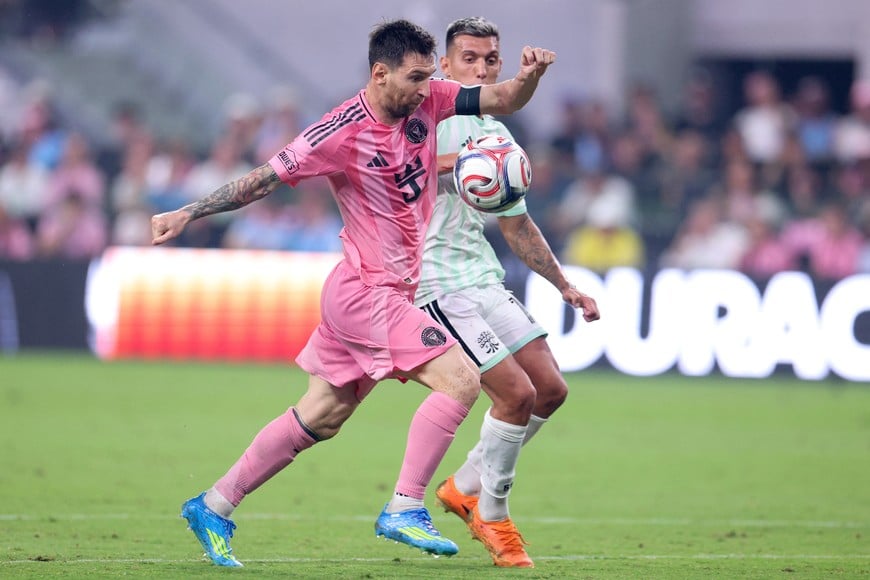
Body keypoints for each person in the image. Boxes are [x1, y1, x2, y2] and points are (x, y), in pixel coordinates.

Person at [150, 18, 557, 567]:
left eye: (428, 76)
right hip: (366, 294)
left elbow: (505, 97)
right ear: (379, 72)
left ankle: (215, 504)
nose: (424, 87)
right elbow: (261, 181)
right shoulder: (336, 133)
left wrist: (530, 77)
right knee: (461, 379)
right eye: (414, 77)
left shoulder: (431, 101)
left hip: (381, 293)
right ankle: (405, 506)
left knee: (321, 417)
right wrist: (189, 211)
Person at [414, 17, 600, 568]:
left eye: (490, 60)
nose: (481, 68)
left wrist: (564, 284)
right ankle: (493, 517)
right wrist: (461, 165)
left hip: (481, 277)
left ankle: (465, 484)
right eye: (468, 59)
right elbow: (393, 170)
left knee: (549, 389)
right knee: (514, 396)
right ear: (445, 66)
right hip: (433, 282)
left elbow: (517, 226)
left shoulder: (498, 136)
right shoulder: (425, 114)